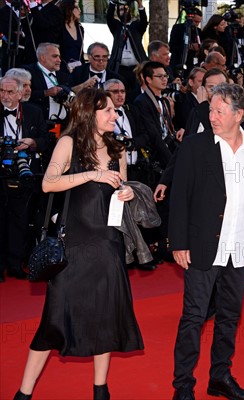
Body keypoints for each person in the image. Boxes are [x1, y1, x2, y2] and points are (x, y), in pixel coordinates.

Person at [13, 88, 144, 400]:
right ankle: (24, 393)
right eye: (108, 110)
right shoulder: (68, 143)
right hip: (73, 245)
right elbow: (49, 182)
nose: (115, 115)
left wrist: (127, 193)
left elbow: (121, 189)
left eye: (114, 110)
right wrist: (92, 175)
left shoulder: (117, 149)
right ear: (90, 113)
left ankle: (101, 390)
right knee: (54, 319)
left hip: (108, 243)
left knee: (106, 317)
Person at [169, 83, 244, 400]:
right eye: (210, 109)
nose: (211, 116)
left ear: (239, 114)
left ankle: (220, 376)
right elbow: (180, 196)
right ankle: (183, 384)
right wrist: (179, 242)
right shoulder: (196, 146)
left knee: (229, 316)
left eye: (218, 111)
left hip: (240, 246)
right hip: (202, 242)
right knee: (194, 317)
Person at [0, 76, 50, 282]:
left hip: (24, 174)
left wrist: (32, 142)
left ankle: (15, 264)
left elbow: (47, 141)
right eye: (2, 91)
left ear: (21, 94)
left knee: (20, 221)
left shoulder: (34, 112)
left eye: (10, 92)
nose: (4, 95)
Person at [106, 0, 148, 88]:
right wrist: (113, 3)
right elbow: (109, 17)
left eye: (126, 9)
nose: (124, 11)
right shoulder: (116, 27)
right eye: (121, 9)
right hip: (120, 69)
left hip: (136, 68)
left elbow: (144, 21)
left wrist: (140, 4)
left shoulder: (136, 26)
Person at [58, 0, 84, 74]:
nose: (80, 9)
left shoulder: (80, 28)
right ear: (69, 8)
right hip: (62, 69)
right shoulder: (59, 27)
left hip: (78, 69)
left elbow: (81, 52)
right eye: (76, 7)